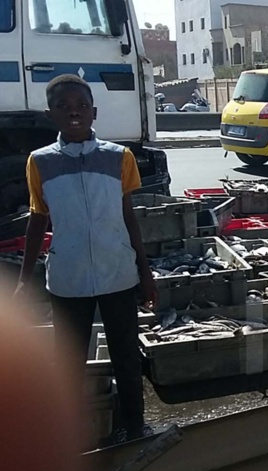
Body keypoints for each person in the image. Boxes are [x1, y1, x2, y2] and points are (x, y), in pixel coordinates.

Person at [16, 74, 157, 440]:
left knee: (126, 354)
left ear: (93, 112)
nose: (73, 113)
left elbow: (128, 218)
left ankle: (133, 425)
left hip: (117, 274)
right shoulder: (40, 162)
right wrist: (23, 280)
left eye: (80, 106)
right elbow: (37, 220)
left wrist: (145, 271)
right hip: (68, 277)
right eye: (63, 107)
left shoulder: (119, 158)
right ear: (51, 115)